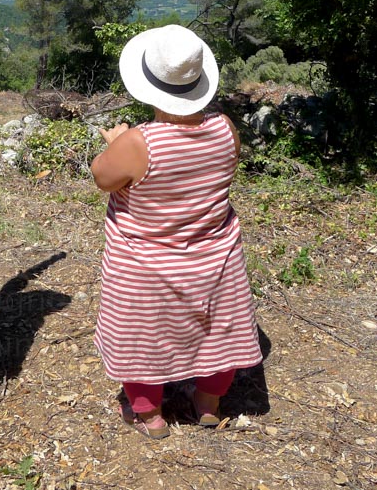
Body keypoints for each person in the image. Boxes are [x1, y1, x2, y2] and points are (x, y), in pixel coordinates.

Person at [89, 24, 263, 439]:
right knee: (216, 330)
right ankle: (208, 404)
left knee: (143, 336)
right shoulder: (226, 129)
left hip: (146, 264)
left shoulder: (138, 143)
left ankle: (149, 415)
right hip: (214, 258)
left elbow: (103, 177)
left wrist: (116, 142)